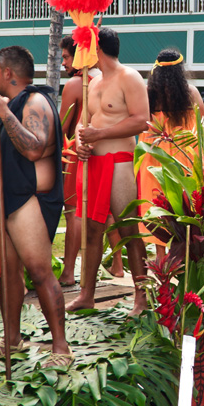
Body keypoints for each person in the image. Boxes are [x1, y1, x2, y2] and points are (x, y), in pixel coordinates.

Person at [0, 45, 72, 366]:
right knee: (8, 275)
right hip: (6, 201)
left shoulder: (35, 102)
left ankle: (61, 348)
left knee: (39, 272)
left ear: (7, 73)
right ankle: (12, 339)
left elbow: (34, 149)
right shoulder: (7, 106)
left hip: (29, 200)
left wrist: (5, 114)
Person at [69, 28, 151, 314]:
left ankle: (142, 296)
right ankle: (86, 294)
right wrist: (81, 141)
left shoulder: (129, 77)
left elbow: (142, 121)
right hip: (92, 163)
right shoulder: (92, 83)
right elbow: (83, 123)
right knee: (91, 232)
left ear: (95, 48)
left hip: (119, 162)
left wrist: (99, 135)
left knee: (128, 228)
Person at [57, 37, 124, 283]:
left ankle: (68, 272)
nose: (63, 63)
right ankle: (117, 264)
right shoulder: (107, 79)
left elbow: (62, 127)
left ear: (78, 56)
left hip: (80, 152)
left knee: (74, 212)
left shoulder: (77, 84)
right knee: (108, 212)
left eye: (65, 57)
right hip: (109, 153)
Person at [137, 48, 204, 261]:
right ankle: (182, 252)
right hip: (182, 153)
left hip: (154, 153)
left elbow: (141, 123)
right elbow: (201, 123)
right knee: (183, 204)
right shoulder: (190, 92)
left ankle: (160, 255)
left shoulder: (149, 93)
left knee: (156, 202)